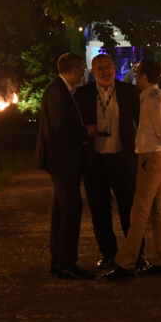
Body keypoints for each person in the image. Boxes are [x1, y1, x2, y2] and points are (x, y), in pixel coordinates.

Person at [104, 58, 161, 280]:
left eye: (137, 74)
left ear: (144, 77)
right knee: (156, 211)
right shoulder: (159, 96)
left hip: (152, 158)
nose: (135, 76)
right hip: (159, 156)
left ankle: (127, 264)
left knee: (139, 211)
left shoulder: (152, 100)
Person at [75, 55, 145, 270]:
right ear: (93, 71)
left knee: (129, 209)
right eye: (101, 68)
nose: (106, 71)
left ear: (115, 68)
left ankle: (136, 253)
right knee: (99, 210)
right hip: (94, 161)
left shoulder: (129, 92)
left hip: (121, 159)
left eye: (109, 67)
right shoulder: (83, 94)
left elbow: (142, 124)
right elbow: (74, 125)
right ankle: (107, 253)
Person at [35, 52, 97, 281]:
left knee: (62, 210)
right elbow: (61, 126)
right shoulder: (57, 92)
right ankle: (66, 263)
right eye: (82, 68)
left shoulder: (61, 90)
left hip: (63, 160)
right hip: (62, 161)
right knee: (71, 209)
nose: (83, 72)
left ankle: (59, 259)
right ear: (73, 69)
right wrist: (86, 132)